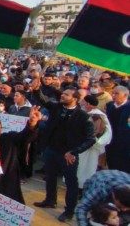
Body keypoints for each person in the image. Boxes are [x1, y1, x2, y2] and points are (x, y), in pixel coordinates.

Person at [31, 80, 95, 222]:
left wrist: (74, 152)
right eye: (63, 93)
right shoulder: (56, 107)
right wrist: (36, 89)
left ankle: (69, 211)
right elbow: (43, 99)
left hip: (68, 155)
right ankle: (50, 200)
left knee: (71, 183)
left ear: (76, 99)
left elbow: (91, 139)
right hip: (51, 150)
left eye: (66, 95)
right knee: (50, 177)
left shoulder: (84, 116)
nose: (62, 96)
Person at [77, 95, 112, 189]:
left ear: (88, 103)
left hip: (90, 146)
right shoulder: (84, 112)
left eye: (83, 101)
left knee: (88, 167)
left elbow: (96, 131)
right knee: (79, 166)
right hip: (80, 144)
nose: (81, 102)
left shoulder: (97, 116)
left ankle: (84, 187)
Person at [105, 86, 129, 173]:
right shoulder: (110, 105)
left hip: (125, 142)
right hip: (110, 139)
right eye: (113, 93)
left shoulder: (128, 107)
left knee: (123, 165)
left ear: (125, 95)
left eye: (117, 93)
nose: (114, 95)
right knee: (111, 162)